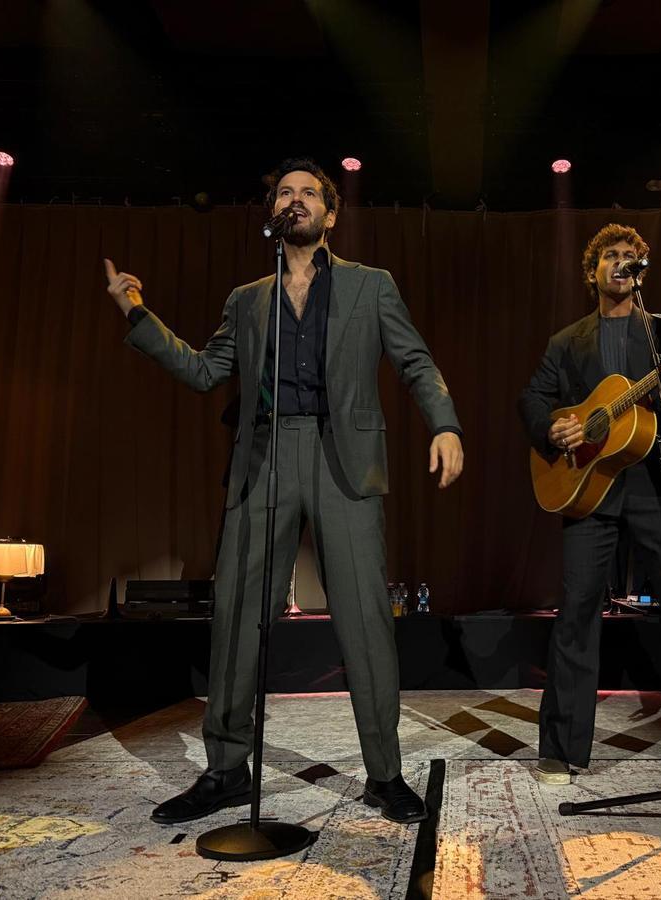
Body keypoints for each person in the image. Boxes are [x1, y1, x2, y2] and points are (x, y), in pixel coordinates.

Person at [104, 157, 463, 825]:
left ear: (331, 212)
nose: (294, 201)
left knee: (363, 621)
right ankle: (226, 771)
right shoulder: (247, 298)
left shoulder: (371, 286)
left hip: (343, 460)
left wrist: (444, 425)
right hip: (264, 457)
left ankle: (384, 774)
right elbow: (208, 371)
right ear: (272, 212)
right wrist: (138, 315)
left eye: (308, 193)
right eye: (283, 193)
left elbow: (415, 360)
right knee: (239, 618)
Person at [518, 223, 661, 785]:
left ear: (641, 271)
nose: (620, 263)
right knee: (576, 614)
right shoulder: (568, 340)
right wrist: (554, 428)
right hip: (591, 487)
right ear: (594, 272)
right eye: (610, 256)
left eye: (630, 256)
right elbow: (533, 398)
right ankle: (561, 748)